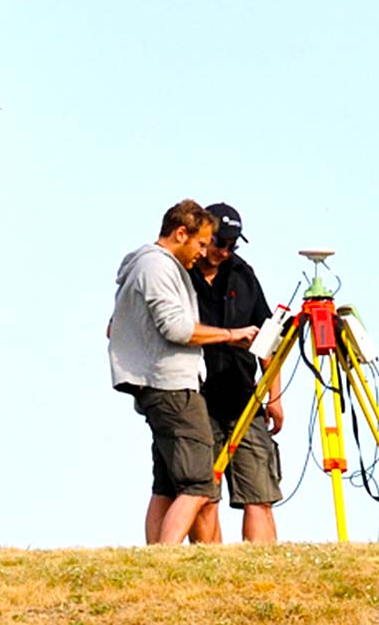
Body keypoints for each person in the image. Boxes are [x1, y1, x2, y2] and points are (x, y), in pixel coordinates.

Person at [109, 199, 257, 545]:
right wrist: (229, 335)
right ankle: (167, 558)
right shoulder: (157, 268)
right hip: (172, 386)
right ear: (181, 233)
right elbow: (176, 328)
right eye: (202, 244)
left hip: (158, 385)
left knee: (167, 484)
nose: (204, 253)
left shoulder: (146, 267)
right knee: (199, 484)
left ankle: (158, 560)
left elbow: (114, 327)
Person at [188, 203, 284, 543]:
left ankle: (263, 574)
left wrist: (275, 397)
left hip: (245, 397)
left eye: (232, 245)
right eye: (218, 243)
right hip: (196, 400)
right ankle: (212, 573)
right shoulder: (180, 273)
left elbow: (269, 339)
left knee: (260, 493)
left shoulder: (244, 274)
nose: (224, 252)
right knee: (201, 495)